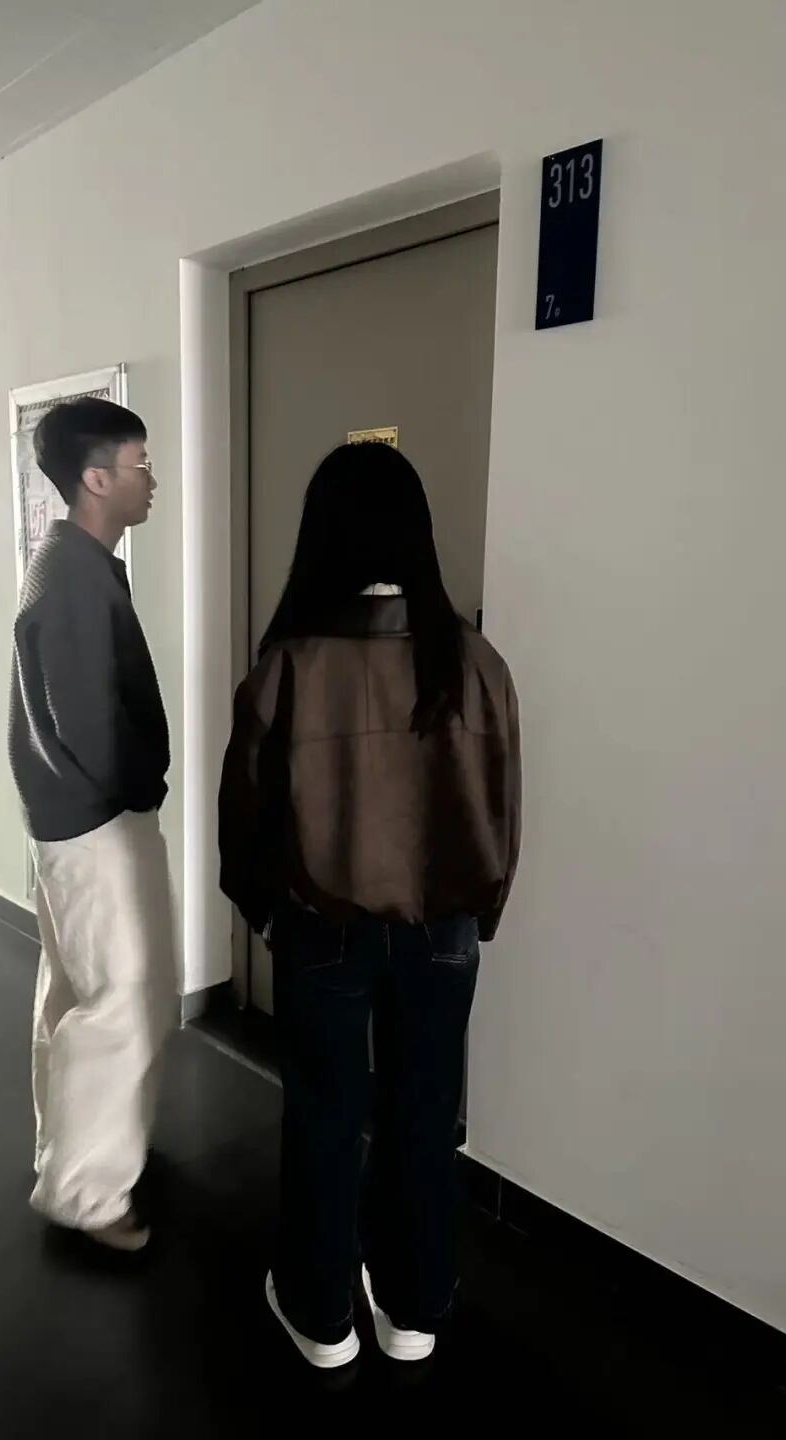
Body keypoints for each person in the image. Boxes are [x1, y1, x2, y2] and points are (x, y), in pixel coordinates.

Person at [218, 442, 521, 1367]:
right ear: (416, 534)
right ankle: (413, 1310)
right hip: (444, 930)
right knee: (427, 1117)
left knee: (324, 1115)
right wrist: (481, 913)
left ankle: (322, 1318)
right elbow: (503, 805)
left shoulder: (291, 665)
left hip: (322, 929)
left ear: (322, 536)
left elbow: (247, 812)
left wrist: (263, 911)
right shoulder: (473, 661)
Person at [8, 397, 177, 1253]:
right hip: (95, 821)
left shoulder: (73, 563)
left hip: (72, 819)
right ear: (96, 478)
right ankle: (89, 1193)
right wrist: (144, 785)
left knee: (75, 991)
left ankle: (70, 1152)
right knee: (123, 1000)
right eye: (141, 464)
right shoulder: (74, 577)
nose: (153, 480)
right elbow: (90, 726)